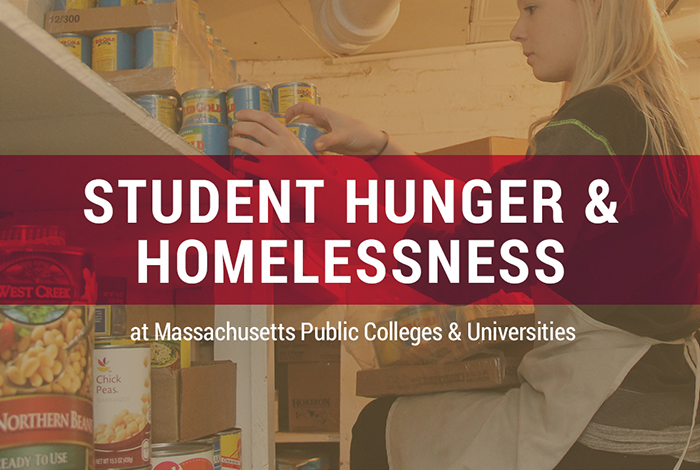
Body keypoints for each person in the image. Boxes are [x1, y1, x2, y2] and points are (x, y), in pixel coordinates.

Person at [230, 0, 700, 468]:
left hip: (611, 421)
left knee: (380, 425)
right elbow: (483, 214)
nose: (517, 30)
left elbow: (458, 268)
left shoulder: (596, 120)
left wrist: (308, 186)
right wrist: (381, 148)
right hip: (662, 410)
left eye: (532, 8)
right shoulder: (646, 117)